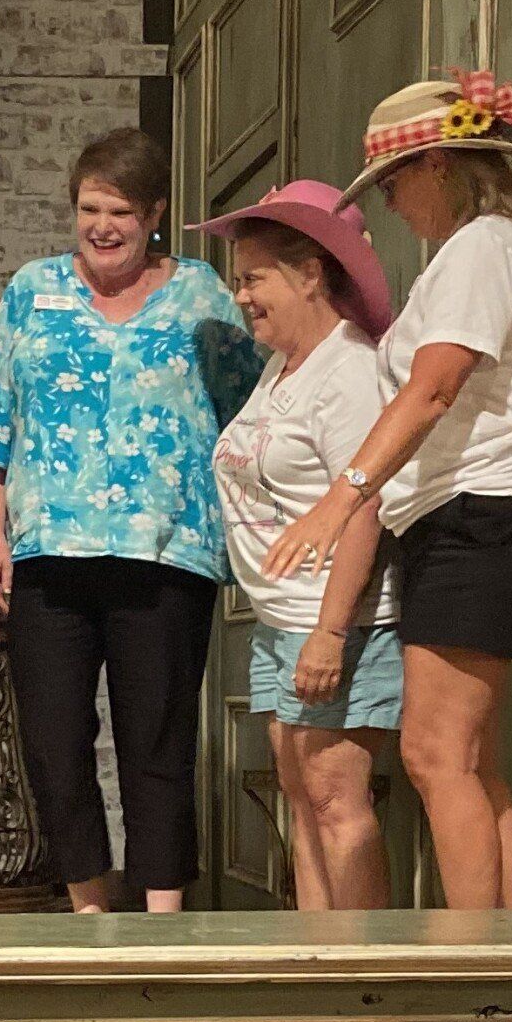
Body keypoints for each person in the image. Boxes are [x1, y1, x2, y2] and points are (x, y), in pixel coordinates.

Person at [264, 71, 512, 909]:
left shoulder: (481, 247)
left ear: (436, 165)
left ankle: (471, 974)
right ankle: (503, 963)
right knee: (471, 759)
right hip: (476, 517)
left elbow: (432, 389)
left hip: (483, 514)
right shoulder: (486, 249)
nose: (392, 204)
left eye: (393, 183)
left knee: (436, 755)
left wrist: (342, 495)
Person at [0, 127, 262, 913]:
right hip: (48, 555)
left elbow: (255, 409)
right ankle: (90, 913)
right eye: (89, 207)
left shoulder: (200, 293)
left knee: (156, 743)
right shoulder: (33, 290)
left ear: (155, 211)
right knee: (55, 744)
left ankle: (162, 921)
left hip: (165, 555)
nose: (102, 224)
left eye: (121, 210)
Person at [195, 180, 402, 911]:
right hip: (284, 620)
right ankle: (320, 961)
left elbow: (366, 503)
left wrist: (329, 631)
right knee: (302, 794)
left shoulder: (346, 370)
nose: (241, 296)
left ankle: (369, 988)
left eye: (253, 278)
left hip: (334, 620)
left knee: (336, 799)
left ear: (311, 272)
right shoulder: (286, 366)